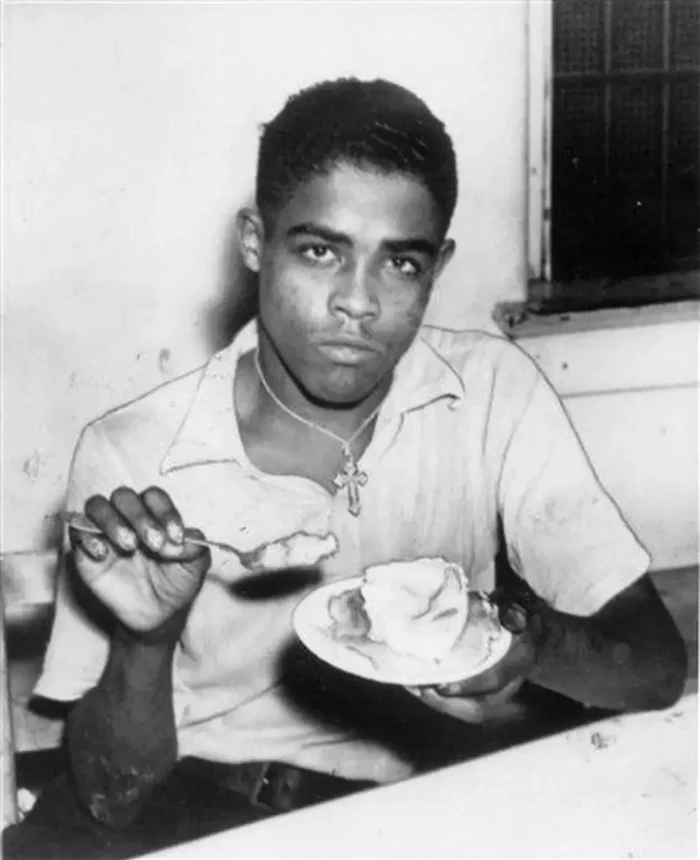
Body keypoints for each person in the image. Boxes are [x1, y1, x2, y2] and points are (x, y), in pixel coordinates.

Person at [4, 77, 687, 859]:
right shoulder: (136, 453)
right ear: (256, 242)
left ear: (438, 268)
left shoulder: (494, 392)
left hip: (420, 813)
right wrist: (147, 639)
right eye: (322, 251)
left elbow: (657, 670)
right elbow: (108, 797)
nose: (357, 303)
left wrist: (525, 644)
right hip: (192, 809)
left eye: (399, 263)